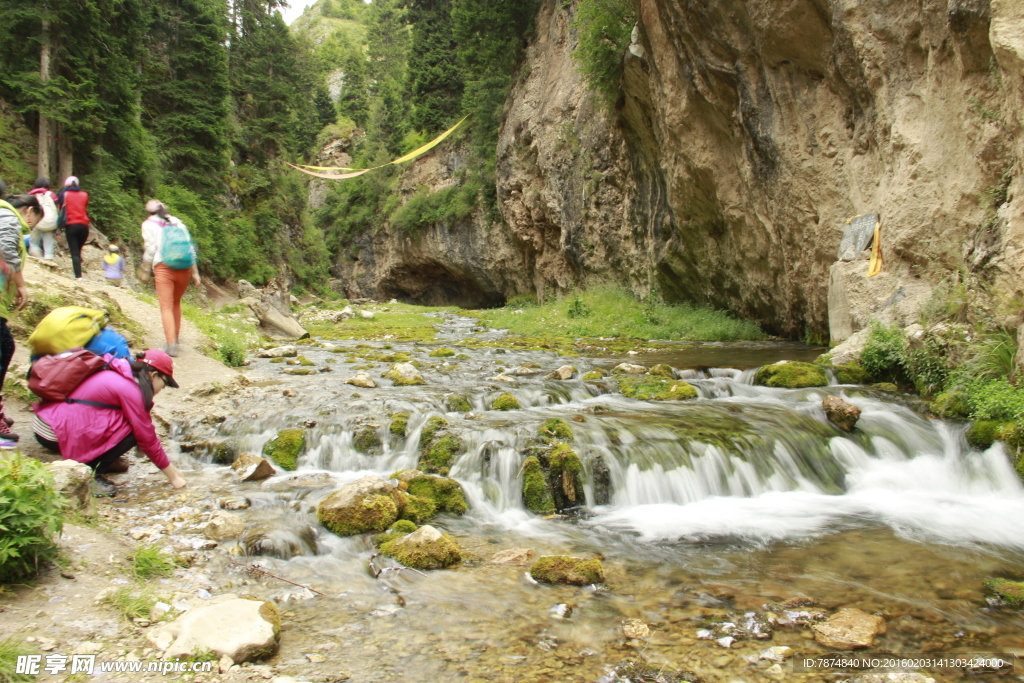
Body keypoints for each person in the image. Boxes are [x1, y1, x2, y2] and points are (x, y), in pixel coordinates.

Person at [32, 349, 188, 497]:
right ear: (153, 375)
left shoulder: (120, 373)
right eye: (165, 383)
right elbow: (146, 437)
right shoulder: (130, 390)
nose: (163, 389)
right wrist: (173, 476)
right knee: (132, 430)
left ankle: (106, 461)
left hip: (47, 423)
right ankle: (90, 473)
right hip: (52, 432)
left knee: (127, 422)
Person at [0, 194, 39, 442]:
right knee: (4, 347)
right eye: (35, 219)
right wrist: (21, 285)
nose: (33, 225)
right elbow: (6, 248)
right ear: (29, 211)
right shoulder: (8, 216)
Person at [141, 200, 200, 357]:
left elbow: (151, 249)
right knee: (175, 303)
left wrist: (145, 269)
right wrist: (195, 272)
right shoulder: (177, 222)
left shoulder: (148, 224)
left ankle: (171, 344)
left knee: (166, 306)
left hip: (164, 267)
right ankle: (175, 339)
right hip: (184, 267)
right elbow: (190, 247)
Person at [57, 176, 89, 279]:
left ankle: (78, 276)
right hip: (84, 226)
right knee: (78, 251)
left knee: (74, 252)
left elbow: (60, 206)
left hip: (71, 225)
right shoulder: (85, 195)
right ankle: (79, 271)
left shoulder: (65, 194)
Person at [27, 177, 58, 260]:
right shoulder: (51, 194)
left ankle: (39, 259)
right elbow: (57, 203)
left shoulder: (31, 195)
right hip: (51, 222)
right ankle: (49, 259)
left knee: (34, 243)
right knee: (49, 242)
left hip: (38, 222)